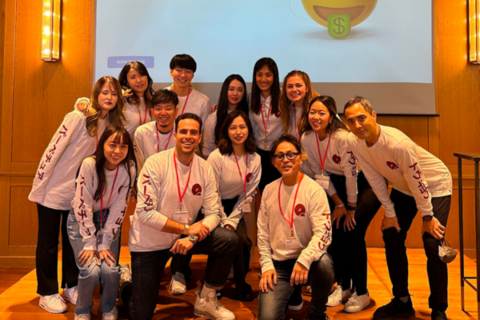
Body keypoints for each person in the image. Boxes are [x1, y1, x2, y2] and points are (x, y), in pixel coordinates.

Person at [344, 96, 453, 320]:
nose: (357, 125)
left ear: (374, 116)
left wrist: (428, 216)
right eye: (351, 121)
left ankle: (439, 308)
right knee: (392, 235)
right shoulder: (354, 142)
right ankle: (402, 301)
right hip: (404, 188)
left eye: (361, 118)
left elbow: (418, 181)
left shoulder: (397, 143)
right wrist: (390, 213)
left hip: (435, 185)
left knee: (432, 243)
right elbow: (375, 178)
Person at [127, 113, 239, 320]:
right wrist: (187, 230)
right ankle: (126, 284)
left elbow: (214, 212)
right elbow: (145, 213)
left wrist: (193, 237)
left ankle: (206, 299)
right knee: (141, 313)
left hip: (185, 239)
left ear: (199, 138)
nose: (188, 137)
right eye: (184, 132)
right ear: (175, 134)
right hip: (149, 242)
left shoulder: (204, 168)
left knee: (229, 240)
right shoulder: (155, 164)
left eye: (194, 133)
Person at [28, 76, 125, 314]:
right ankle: (47, 292)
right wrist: (39, 187)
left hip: (81, 195)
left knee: (74, 243)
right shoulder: (77, 117)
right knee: (48, 243)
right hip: (54, 190)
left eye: (114, 94)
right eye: (104, 93)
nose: (109, 97)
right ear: (96, 95)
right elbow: (52, 151)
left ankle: (71, 284)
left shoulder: (110, 124)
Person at [299, 95, 381, 312]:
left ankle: (361, 292)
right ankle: (344, 286)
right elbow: (319, 174)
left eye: (321, 113)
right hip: (335, 187)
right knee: (337, 234)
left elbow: (351, 175)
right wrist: (338, 204)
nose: (316, 117)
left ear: (331, 116)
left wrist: (351, 207)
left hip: (364, 184)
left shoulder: (343, 137)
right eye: (312, 112)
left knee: (353, 231)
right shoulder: (307, 138)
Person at [257, 134, 334, 320]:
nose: (286, 160)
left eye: (291, 155)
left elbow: (323, 233)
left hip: (308, 262)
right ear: (274, 162)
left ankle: (317, 312)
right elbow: (262, 234)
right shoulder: (268, 190)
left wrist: (304, 260)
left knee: (324, 265)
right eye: (280, 156)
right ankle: (292, 293)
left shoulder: (314, 190)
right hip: (280, 265)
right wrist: (267, 266)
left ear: (301, 157)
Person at [67, 126, 136, 320]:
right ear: (102, 144)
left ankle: (108, 307)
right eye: (112, 145)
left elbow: (119, 207)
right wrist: (90, 241)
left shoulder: (128, 168)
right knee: (89, 270)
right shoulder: (89, 164)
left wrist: (104, 241)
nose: (117, 151)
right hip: (81, 219)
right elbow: (82, 203)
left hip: (108, 219)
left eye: (123, 146)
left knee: (109, 268)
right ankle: (82, 311)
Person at [207, 110, 261, 301]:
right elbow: (211, 192)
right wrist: (223, 220)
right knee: (224, 239)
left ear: (249, 130)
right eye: (233, 127)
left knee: (244, 242)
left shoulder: (255, 158)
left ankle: (241, 282)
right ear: (226, 131)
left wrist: (233, 220)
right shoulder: (217, 156)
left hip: (237, 208)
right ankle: (215, 283)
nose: (238, 132)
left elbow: (249, 194)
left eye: (242, 127)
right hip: (213, 207)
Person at [248, 57, 283, 192]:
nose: (263, 79)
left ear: (274, 76)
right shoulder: (252, 97)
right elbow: (252, 125)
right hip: (260, 152)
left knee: (280, 190)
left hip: (279, 152)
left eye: (268, 75)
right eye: (259, 75)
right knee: (264, 191)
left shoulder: (283, 96)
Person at [202, 74, 249, 158]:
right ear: (225, 90)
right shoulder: (213, 118)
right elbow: (207, 150)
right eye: (231, 89)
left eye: (240, 90)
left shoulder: (249, 116)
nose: (235, 93)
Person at [134, 89, 178, 172]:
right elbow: (140, 165)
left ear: (176, 112)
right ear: (152, 112)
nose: (163, 113)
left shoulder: (182, 132)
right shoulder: (142, 132)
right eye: (158, 109)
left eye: (168, 108)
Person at [165, 54, 211, 126]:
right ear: (171, 72)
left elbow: (203, 132)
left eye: (188, 71)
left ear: (192, 75)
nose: (183, 75)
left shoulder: (203, 101)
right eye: (179, 70)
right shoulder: (160, 96)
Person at [118, 61, 155, 139]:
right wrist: (85, 101)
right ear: (126, 82)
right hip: (125, 148)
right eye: (133, 77)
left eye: (141, 75)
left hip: (145, 148)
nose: (139, 80)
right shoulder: (122, 99)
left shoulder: (153, 100)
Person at [280, 70, 319, 141]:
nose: (294, 89)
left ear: (307, 88)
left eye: (298, 85)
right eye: (290, 86)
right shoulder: (286, 110)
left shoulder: (320, 107)